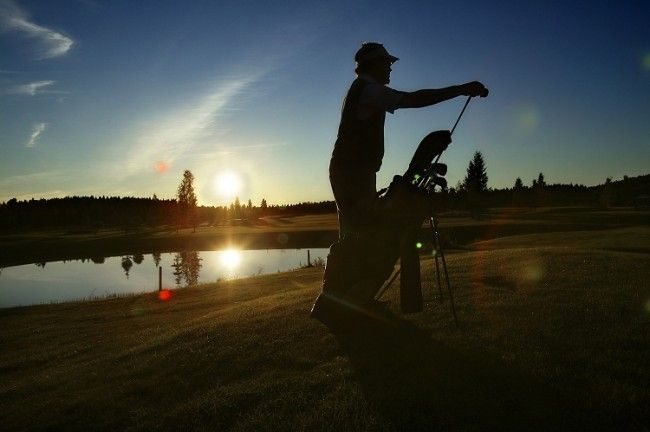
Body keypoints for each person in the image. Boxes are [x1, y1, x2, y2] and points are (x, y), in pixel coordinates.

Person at [329, 42, 488, 238]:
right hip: (352, 173)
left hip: (353, 171)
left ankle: (347, 267)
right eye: (387, 63)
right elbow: (415, 99)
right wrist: (460, 89)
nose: (390, 67)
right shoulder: (369, 90)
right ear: (374, 64)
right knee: (362, 237)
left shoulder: (362, 88)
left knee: (354, 235)